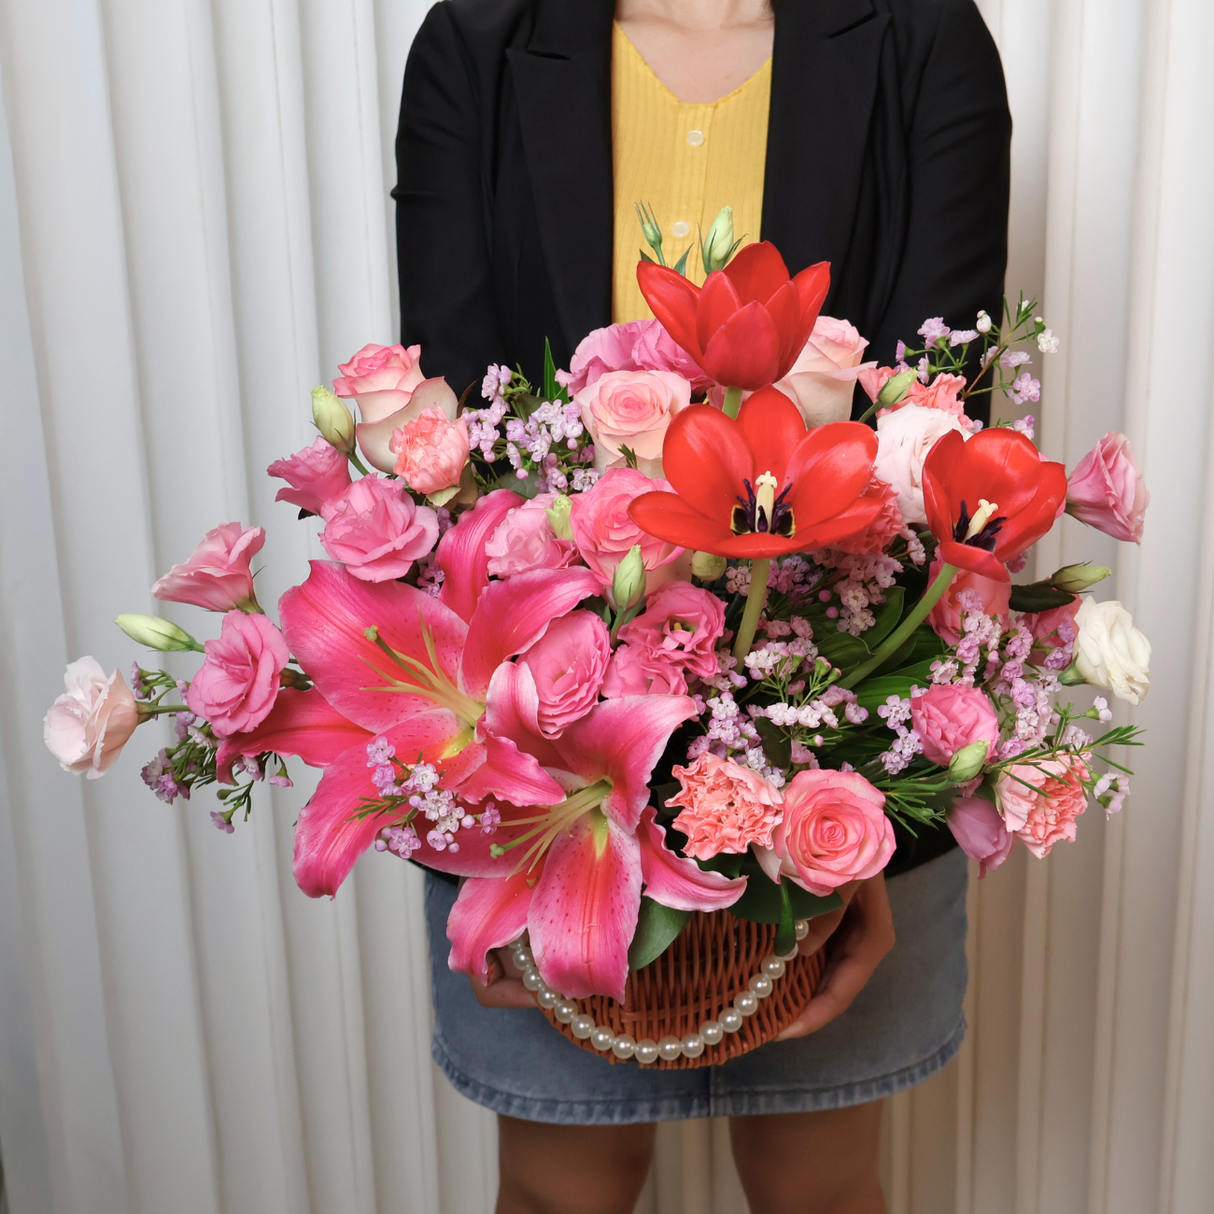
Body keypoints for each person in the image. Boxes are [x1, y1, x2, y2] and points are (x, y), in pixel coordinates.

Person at [394, 1, 1009, 1210]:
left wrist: (847, 818)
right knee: (559, 1185)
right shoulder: (474, 39)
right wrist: (517, 839)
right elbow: (455, 458)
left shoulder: (921, 39)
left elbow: (939, 446)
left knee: (819, 1187)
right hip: (550, 762)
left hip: (841, 737)